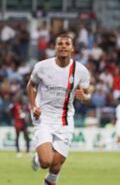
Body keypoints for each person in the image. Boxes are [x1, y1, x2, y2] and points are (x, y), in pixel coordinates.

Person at [27, 34, 92, 185]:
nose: (63, 46)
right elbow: (31, 85)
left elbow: (87, 93)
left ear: (72, 48)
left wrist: (85, 96)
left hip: (65, 119)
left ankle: (48, 181)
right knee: (45, 162)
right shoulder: (42, 67)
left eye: (67, 44)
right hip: (43, 116)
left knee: (56, 165)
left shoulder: (81, 71)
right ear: (55, 48)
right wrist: (33, 105)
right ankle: (38, 158)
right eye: (60, 43)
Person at [8, 93, 30, 157]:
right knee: (17, 137)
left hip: (24, 123)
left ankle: (27, 151)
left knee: (27, 137)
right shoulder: (15, 105)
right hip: (17, 123)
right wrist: (13, 118)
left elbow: (28, 110)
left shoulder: (24, 105)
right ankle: (18, 152)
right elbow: (9, 111)